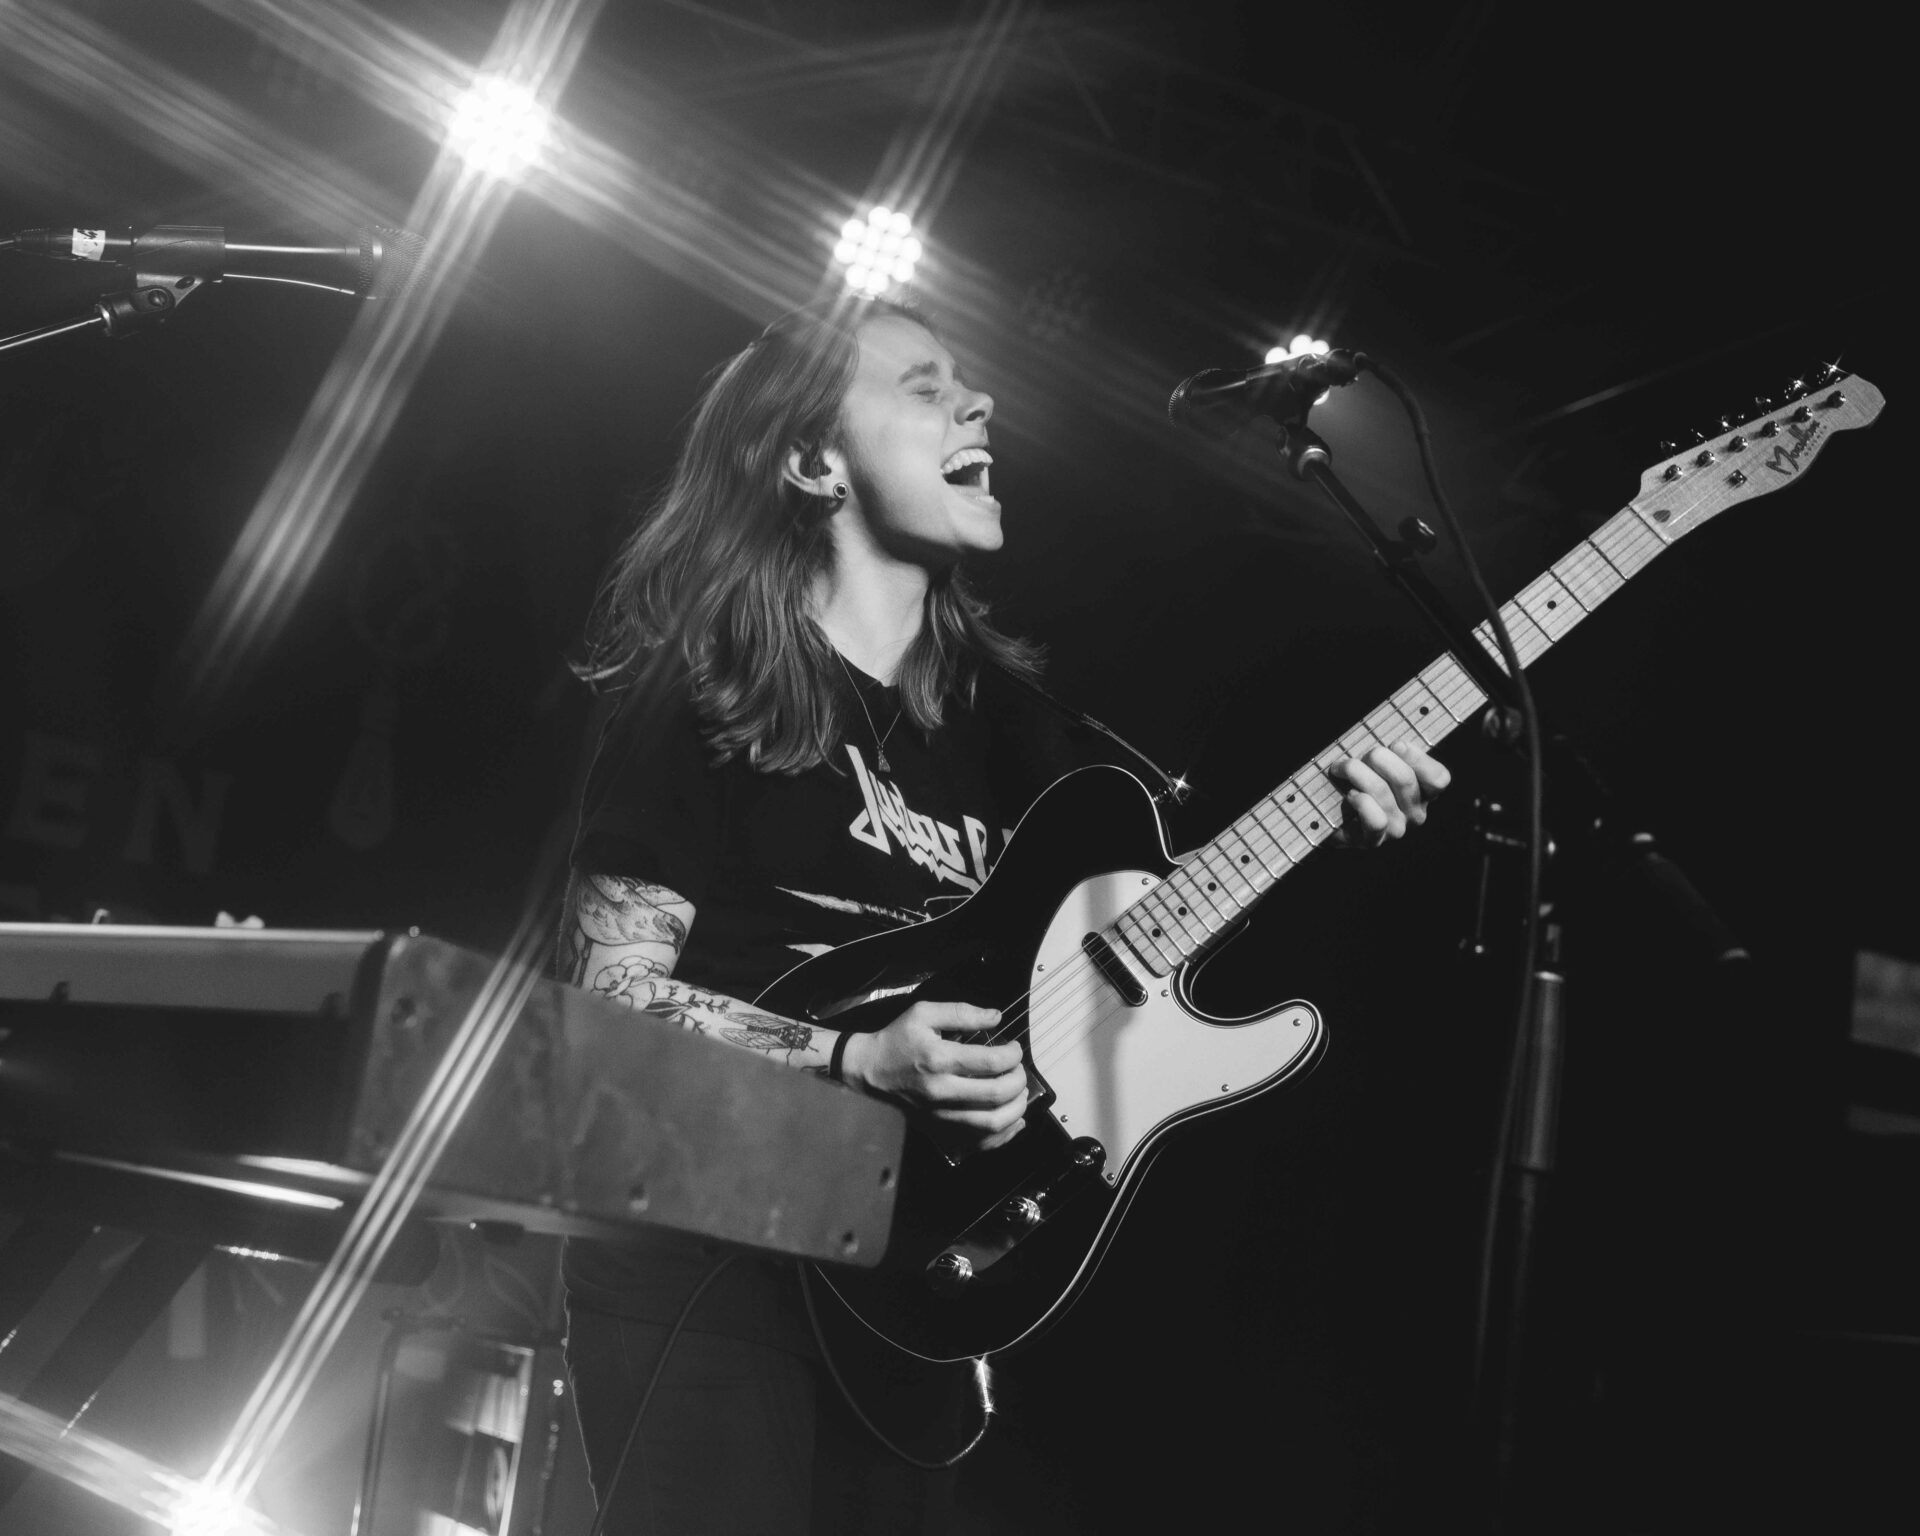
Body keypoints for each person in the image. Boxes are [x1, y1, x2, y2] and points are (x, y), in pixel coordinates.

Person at [558, 297, 1450, 1533]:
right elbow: (605, 1004)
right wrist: (853, 1058)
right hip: (709, 1264)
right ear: (813, 461)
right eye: (924, 388)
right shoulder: (703, 693)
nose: (980, 403)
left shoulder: (1022, 734)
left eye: (967, 385)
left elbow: (1131, 955)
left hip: (916, 1286)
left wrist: (1329, 836)